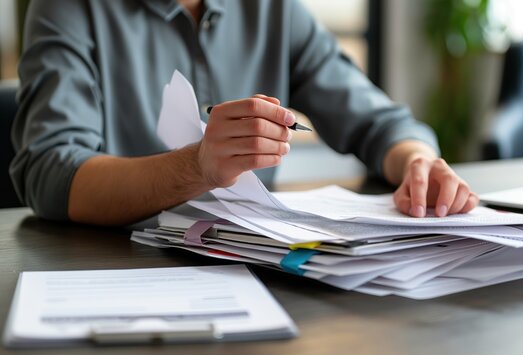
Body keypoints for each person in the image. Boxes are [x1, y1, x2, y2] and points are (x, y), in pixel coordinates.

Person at [10, 0, 479, 226]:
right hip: (114, 271)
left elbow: (379, 121)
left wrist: (417, 161)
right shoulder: (67, 7)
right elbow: (50, 171)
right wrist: (196, 168)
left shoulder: (274, 8)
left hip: (253, 266)